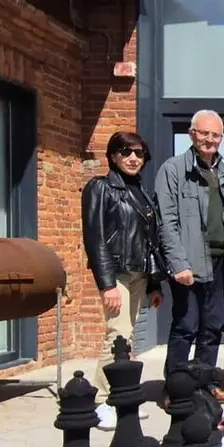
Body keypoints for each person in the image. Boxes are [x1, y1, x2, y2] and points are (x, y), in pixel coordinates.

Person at [81, 131, 165, 430]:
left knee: (128, 338)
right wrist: (106, 284)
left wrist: (155, 284)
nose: (132, 158)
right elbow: (95, 238)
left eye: (139, 153)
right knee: (117, 335)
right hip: (116, 273)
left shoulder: (141, 192)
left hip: (140, 275)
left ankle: (124, 394)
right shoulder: (100, 188)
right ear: (113, 156)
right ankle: (105, 399)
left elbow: (150, 241)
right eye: (126, 152)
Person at [155, 108, 224, 402]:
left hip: (218, 262)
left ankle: (205, 385)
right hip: (188, 264)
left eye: (215, 135)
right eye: (204, 133)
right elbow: (166, 221)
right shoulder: (173, 169)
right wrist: (178, 263)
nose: (209, 139)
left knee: (212, 327)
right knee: (186, 326)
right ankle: (176, 389)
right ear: (192, 134)